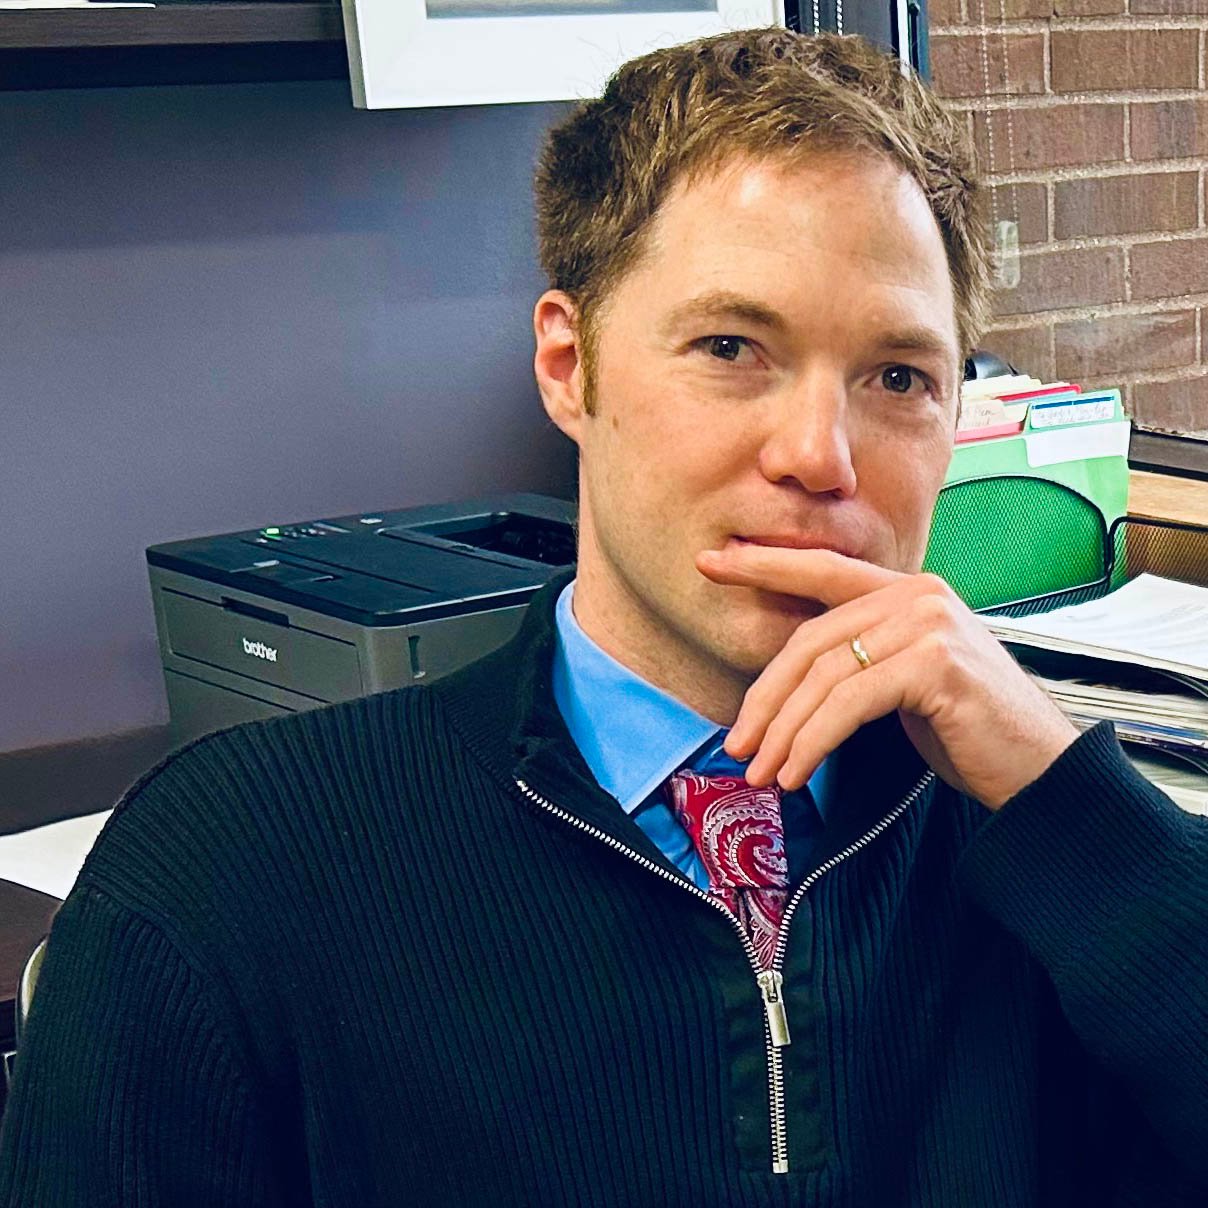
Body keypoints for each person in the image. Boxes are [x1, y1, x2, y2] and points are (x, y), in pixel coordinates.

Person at [2, 27, 1207, 1208]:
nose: (819, 455)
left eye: (898, 377)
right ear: (567, 366)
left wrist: (1070, 802)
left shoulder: (1051, 860)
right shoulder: (228, 873)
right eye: (730, 346)